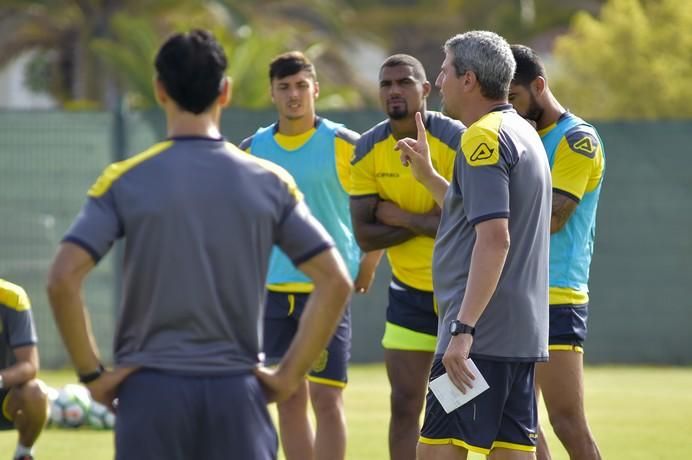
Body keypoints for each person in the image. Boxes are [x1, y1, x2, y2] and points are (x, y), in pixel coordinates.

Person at [46, 30, 352, 460]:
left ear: (159, 90)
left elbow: (63, 277)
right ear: (224, 92)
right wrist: (285, 378)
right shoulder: (269, 182)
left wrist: (92, 375)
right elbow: (335, 280)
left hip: (150, 394)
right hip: (237, 395)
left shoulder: (124, 180)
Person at [398, 31, 552, 459]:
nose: (438, 79)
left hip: (477, 342)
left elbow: (495, 239)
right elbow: (483, 218)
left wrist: (462, 330)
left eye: (445, 69)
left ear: (468, 79)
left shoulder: (481, 138)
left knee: (435, 452)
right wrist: (430, 178)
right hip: (518, 338)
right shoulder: (522, 131)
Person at [239, 51, 380, 460]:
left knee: (326, 399)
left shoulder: (345, 144)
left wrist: (368, 262)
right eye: (284, 88)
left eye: (301, 86)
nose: (294, 95)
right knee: (287, 396)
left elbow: (381, 204)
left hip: (326, 292)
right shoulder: (252, 149)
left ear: (316, 89)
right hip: (273, 293)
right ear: (272, 93)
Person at [349, 54, 464, 460]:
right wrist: (427, 219)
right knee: (404, 408)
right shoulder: (366, 150)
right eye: (386, 84)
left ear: (425, 89)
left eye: (404, 82)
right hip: (407, 298)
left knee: (457, 409)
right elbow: (365, 234)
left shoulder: (456, 139)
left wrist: (398, 215)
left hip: (461, 301)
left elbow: (465, 222)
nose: (394, 90)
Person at [509, 44, 604, 460]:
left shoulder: (577, 138)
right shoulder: (515, 135)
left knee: (566, 421)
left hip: (556, 294)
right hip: (512, 293)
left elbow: (555, 217)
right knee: (516, 418)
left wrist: (487, 217)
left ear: (539, 85)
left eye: (513, 97)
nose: (506, 107)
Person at [0, 279, 49, 460]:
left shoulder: (11, 297)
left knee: (36, 392)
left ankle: (24, 452)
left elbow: (29, 366)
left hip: (6, 396)